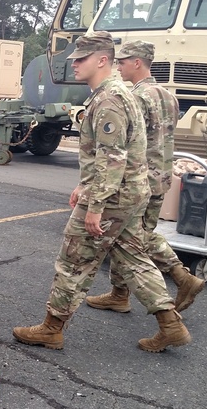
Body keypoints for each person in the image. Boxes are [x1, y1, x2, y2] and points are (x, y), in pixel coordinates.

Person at [12, 31, 191, 353]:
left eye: (81, 59)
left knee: (73, 260)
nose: (75, 65)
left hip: (114, 196)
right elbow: (109, 153)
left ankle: (52, 328)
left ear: (102, 60)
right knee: (133, 256)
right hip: (129, 193)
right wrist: (84, 185)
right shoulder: (118, 93)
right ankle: (170, 324)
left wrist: (95, 205)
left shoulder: (109, 99)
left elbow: (113, 158)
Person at [86, 40, 205, 314]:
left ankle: (180, 275)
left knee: (133, 236)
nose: (119, 67)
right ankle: (119, 293)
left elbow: (126, 142)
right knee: (132, 235)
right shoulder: (168, 95)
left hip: (138, 179)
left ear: (137, 63)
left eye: (123, 62)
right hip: (161, 176)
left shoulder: (137, 97)